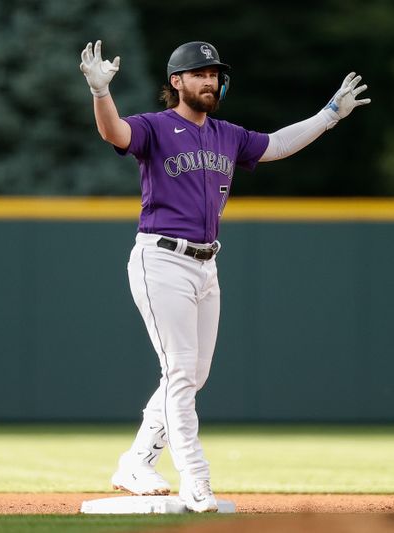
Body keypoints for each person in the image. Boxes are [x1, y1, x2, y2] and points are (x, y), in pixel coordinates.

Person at [79, 39, 370, 513]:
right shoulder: (155, 127)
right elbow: (115, 133)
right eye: (199, 73)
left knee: (193, 373)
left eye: (214, 74)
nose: (209, 80)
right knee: (179, 370)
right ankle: (195, 479)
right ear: (177, 82)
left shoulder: (227, 135)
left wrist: (331, 113)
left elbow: (277, 144)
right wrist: (100, 93)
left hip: (205, 263)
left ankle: (136, 460)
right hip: (162, 259)